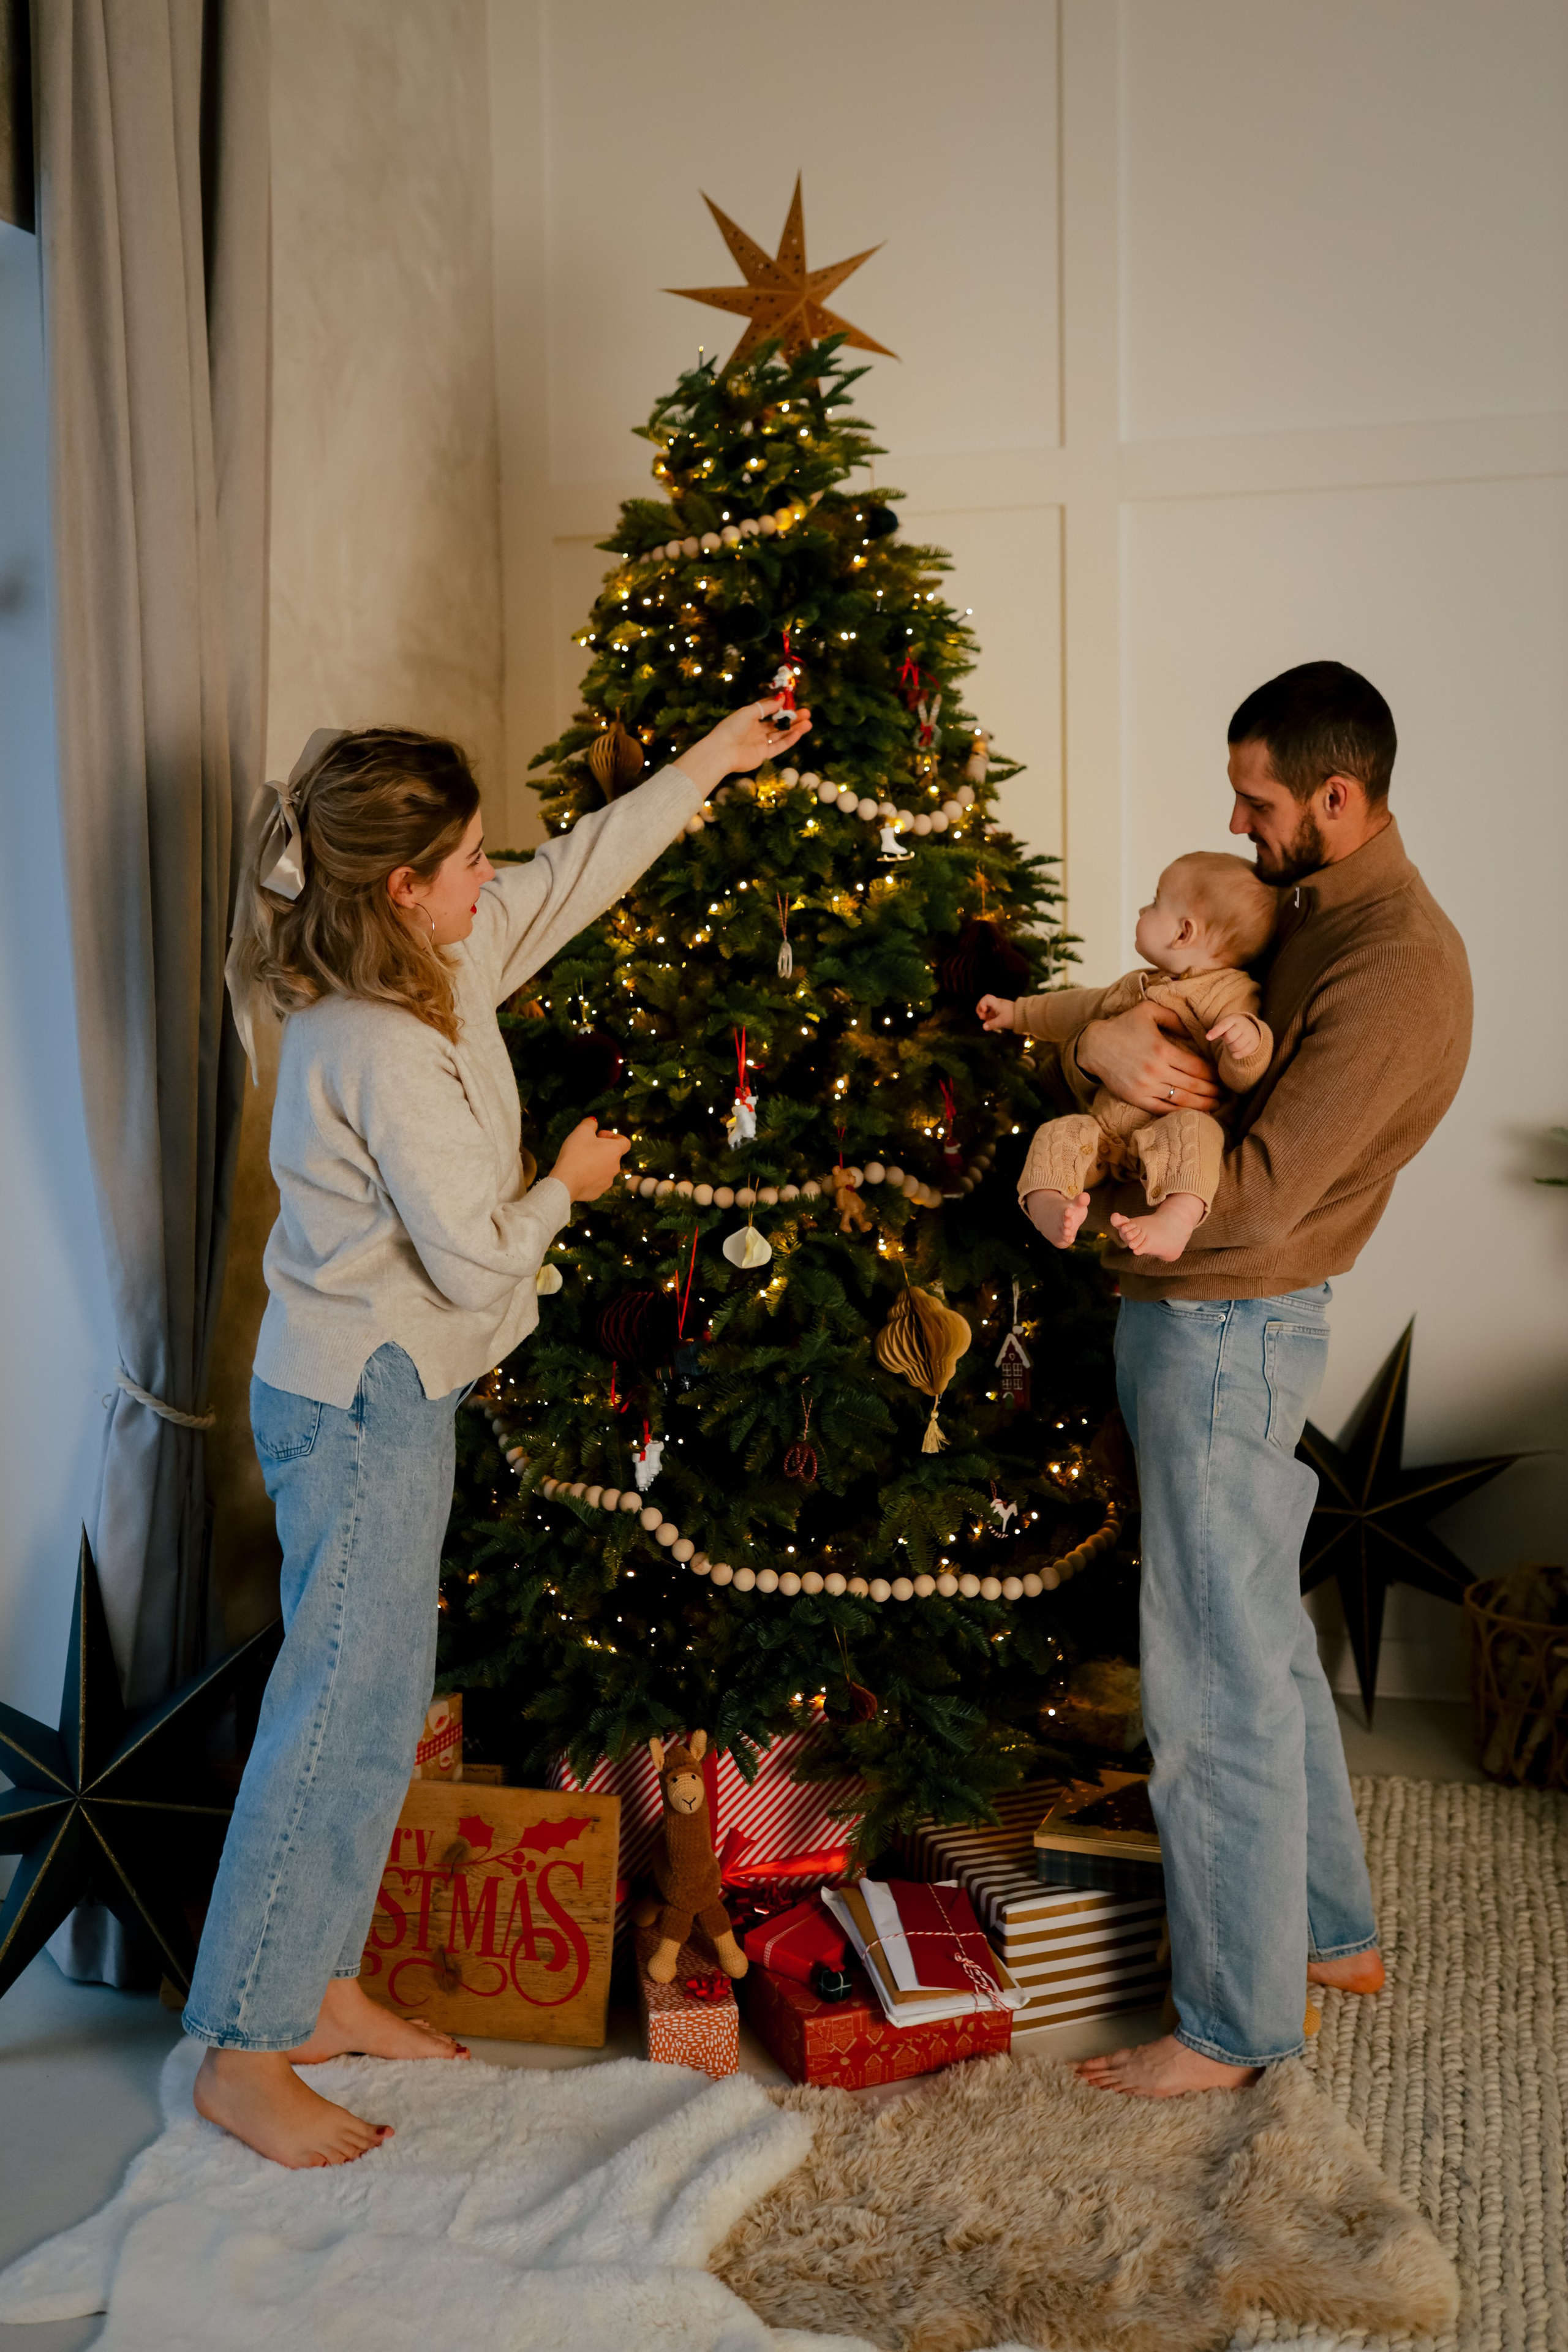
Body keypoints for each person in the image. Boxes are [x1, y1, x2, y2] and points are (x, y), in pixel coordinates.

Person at [187, 696, 810, 2167]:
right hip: (358, 1406)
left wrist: (709, 757)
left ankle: (316, 1983)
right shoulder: (373, 1047)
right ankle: (241, 2046)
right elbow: (476, 1258)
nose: (494, 872)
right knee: (330, 1723)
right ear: (401, 888)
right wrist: (569, 1186)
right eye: (470, 858)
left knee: (372, 1711)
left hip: (402, 1391)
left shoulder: (445, 949)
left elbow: (581, 866)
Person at [1047, 662, 1471, 2098]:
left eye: (1258, 800)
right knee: (1261, 1638)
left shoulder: (1393, 963)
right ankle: (1327, 1930)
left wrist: (1107, 1169)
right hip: (1213, 1321)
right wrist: (1106, 1035)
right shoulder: (1301, 912)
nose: (1236, 825)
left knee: (1208, 1672)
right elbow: (1177, 1026)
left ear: (1336, 800)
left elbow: (1268, 1187)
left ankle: (1229, 2028)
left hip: (1225, 1321)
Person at [978, 851, 1277, 1262]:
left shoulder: (1229, 994)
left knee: (1197, 1133)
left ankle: (1175, 1219)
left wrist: (1248, 1045)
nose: (1143, 908)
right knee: (1060, 1134)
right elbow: (1077, 1008)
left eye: (1155, 903)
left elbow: (1244, 1074)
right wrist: (1016, 1013)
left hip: (1169, 1133)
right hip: (1107, 1136)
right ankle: (1050, 1204)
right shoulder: (1135, 986)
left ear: (1183, 933)